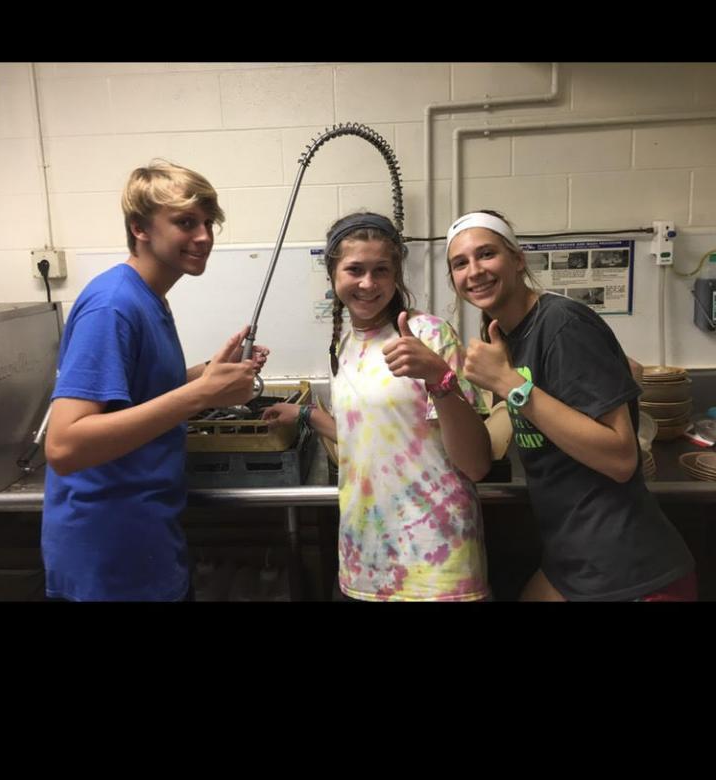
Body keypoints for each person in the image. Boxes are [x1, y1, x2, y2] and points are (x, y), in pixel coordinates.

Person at [41, 159, 269, 602]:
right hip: (107, 560)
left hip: (146, 544)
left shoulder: (149, 299)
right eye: (186, 222)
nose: (204, 236)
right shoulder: (113, 306)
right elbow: (64, 446)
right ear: (139, 228)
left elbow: (135, 396)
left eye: (208, 222)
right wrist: (201, 394)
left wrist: (207, 374)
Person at [447, 209, 696, 602]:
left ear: (517, 260)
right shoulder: (514, 335)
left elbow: (621, 459)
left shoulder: (561, 322)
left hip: (629, 572)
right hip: (576, 560)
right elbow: (625, 370)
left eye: (486, 254)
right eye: (460, 263)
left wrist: (510, 385)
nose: (474, 270)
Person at [262, 211, 493, 601]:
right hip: (364, 561)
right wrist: (305, 414)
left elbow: (476, 464)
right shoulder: (343, 346)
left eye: (381, 270)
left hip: (437, 560)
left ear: (396, 274)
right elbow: (369, 437)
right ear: (333, 275)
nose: (368, 283)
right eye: (355, 269)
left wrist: (439, 377)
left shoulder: (429, 334)